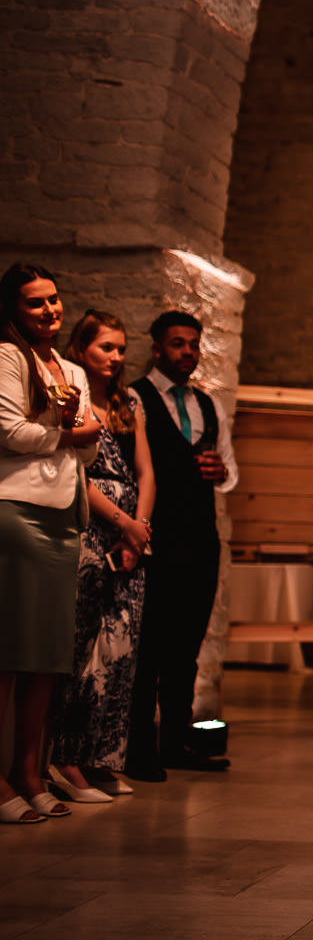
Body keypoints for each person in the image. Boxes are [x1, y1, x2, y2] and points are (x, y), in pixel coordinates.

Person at [0, 263, 99, 823]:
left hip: (64, 513)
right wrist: (68, 432)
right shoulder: (6, 358)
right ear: (14, 309)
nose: (49, 311)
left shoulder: (71, 370)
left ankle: (30, 771)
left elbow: (85, 454)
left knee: (46, 657)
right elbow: (10, 433)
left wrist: (75, 436)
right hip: (17, 509)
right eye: (35, 303)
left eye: (55, 300)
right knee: (10, 650)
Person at [126, 310, 237, 779]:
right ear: (157, 348)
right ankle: (138, 749)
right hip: (156, 538)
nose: (187, 352)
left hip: (201, 540)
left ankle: (175, 742)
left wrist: (222, 473)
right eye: (177, 344)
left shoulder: (207, 406)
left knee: (187, 648)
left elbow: (230, 471)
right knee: (149, 646)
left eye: (193, 344)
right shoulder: (135, 397)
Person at [50, 311, 155, 801]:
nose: (115, 357)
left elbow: (146, 470)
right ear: (81, 348)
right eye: (105, 348)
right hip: (93, 524)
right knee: (82, 648)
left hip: (132, 533)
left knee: (120, 651)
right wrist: (124, 523)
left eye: (120, 348)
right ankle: (65, 759)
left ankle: (100, 758)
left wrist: (140, 531)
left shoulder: (129, 400)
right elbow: (76, 469)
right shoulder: (73, 396)